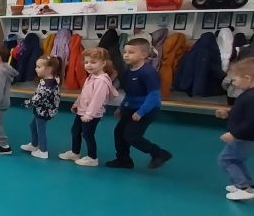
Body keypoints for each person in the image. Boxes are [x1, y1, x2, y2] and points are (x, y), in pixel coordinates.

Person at [108, 39, 173, 169]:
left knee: (132, 136)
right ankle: (124, 160)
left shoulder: (148, 73)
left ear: (144, 54)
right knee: (119, 132)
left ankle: (160, 153)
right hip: (130, 107)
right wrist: (121, 107)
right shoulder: (128, 71)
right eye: (125, 52)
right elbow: (130, 94)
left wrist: (141, 112)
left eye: (131, 52)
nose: (126, 55)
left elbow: (154, 96)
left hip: (146, 109)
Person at [215, 58, 254, 201]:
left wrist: (234, 134)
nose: (233, 83)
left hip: (246, 137)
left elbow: (253, 121)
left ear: (247, 78)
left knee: (226, 159)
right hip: (251, 136)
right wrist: (228, 113)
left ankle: (243, 187)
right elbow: (244, 111)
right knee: (238, 159)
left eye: (235, 80)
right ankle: (250, 186)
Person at [59, 48, 118, 167]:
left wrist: (89, 115)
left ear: (103, 63)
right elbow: (84, 93)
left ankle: (92, 158)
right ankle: (75, 152)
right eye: (86, 62)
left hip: (91, 114)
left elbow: (97, 100)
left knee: (87, 134)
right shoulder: (91, 77)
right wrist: (77, 104)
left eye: (93, 62)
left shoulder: (102, 81)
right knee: (75, 130)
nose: (89, 65)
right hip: (82, 111)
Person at [21, 55, 63, 159]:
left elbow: (38, 98)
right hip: (42, 110)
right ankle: (34, 145)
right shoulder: (50, 80)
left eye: (39, 67)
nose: (36, 69)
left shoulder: (48, 85)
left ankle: (43, 151)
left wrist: (27, 103)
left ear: (49, 69)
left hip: (44, 111)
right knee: (33, 126)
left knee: (41, 130)